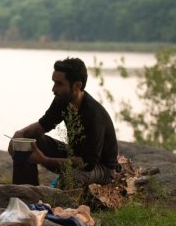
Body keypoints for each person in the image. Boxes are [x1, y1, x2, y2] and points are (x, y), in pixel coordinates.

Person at [8, 57, 121, 187]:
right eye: (54, 82)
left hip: (101, 168)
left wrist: (45, 160)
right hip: (75, 156)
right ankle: (26, 194)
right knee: (26, 142)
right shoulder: (62, 100)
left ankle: (51, 201)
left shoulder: (93, 115)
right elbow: (42, 126)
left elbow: (86, 163)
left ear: (77, 86)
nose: (53, 89)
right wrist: (20, 135)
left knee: (70, 178)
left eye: (59, 84)